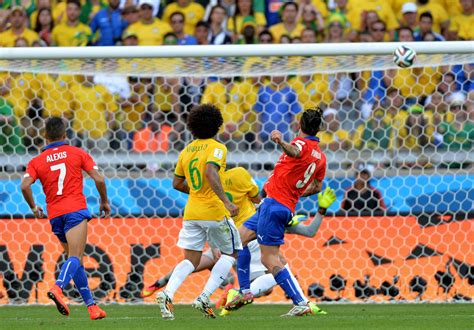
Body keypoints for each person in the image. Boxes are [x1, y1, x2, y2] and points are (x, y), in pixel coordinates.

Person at [225, 108, 328, 317]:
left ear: (299, 126)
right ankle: (245, 291)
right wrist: (295, 192)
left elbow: (295, 151)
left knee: (269, 259)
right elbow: (317, 187)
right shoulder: (321, 158)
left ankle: (300, 302)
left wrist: (280, 141)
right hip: (274, 204)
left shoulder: (300, 144)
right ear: (319, 129)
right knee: (239, 239)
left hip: (274, 206)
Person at [156, 104, 241, 320]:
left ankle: (168, 293)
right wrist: (227, 202)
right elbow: (210, 171)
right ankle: (204, 297)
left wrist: (195, 191)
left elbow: (176, 183)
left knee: (191, 260)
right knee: (232, 253)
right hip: (214, 211)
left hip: (192, 212)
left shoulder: (186, 150)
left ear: (192, 127)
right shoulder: (218, 148)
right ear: (217, 125)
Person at [20, 117, 110, 320]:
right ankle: (58, 287)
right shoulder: (77, 153)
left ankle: (92, 307)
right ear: (65, 135)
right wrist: (104, 201)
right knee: (76, 257)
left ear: (45, 136)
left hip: (55, 216)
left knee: (74, 258)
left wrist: (34, 208)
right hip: (75, 210)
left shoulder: (36, 161)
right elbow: (99, 178)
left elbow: (24, 186)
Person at [142, 166, 261, 297]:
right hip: (242, 235)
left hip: (221, 235)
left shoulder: (206, 184)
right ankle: (232, 292)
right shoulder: (240, 174)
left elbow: (209, 217)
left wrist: (214, 245)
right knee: (260, 285)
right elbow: (256, 199)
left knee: (192, 263)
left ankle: (158, 283)